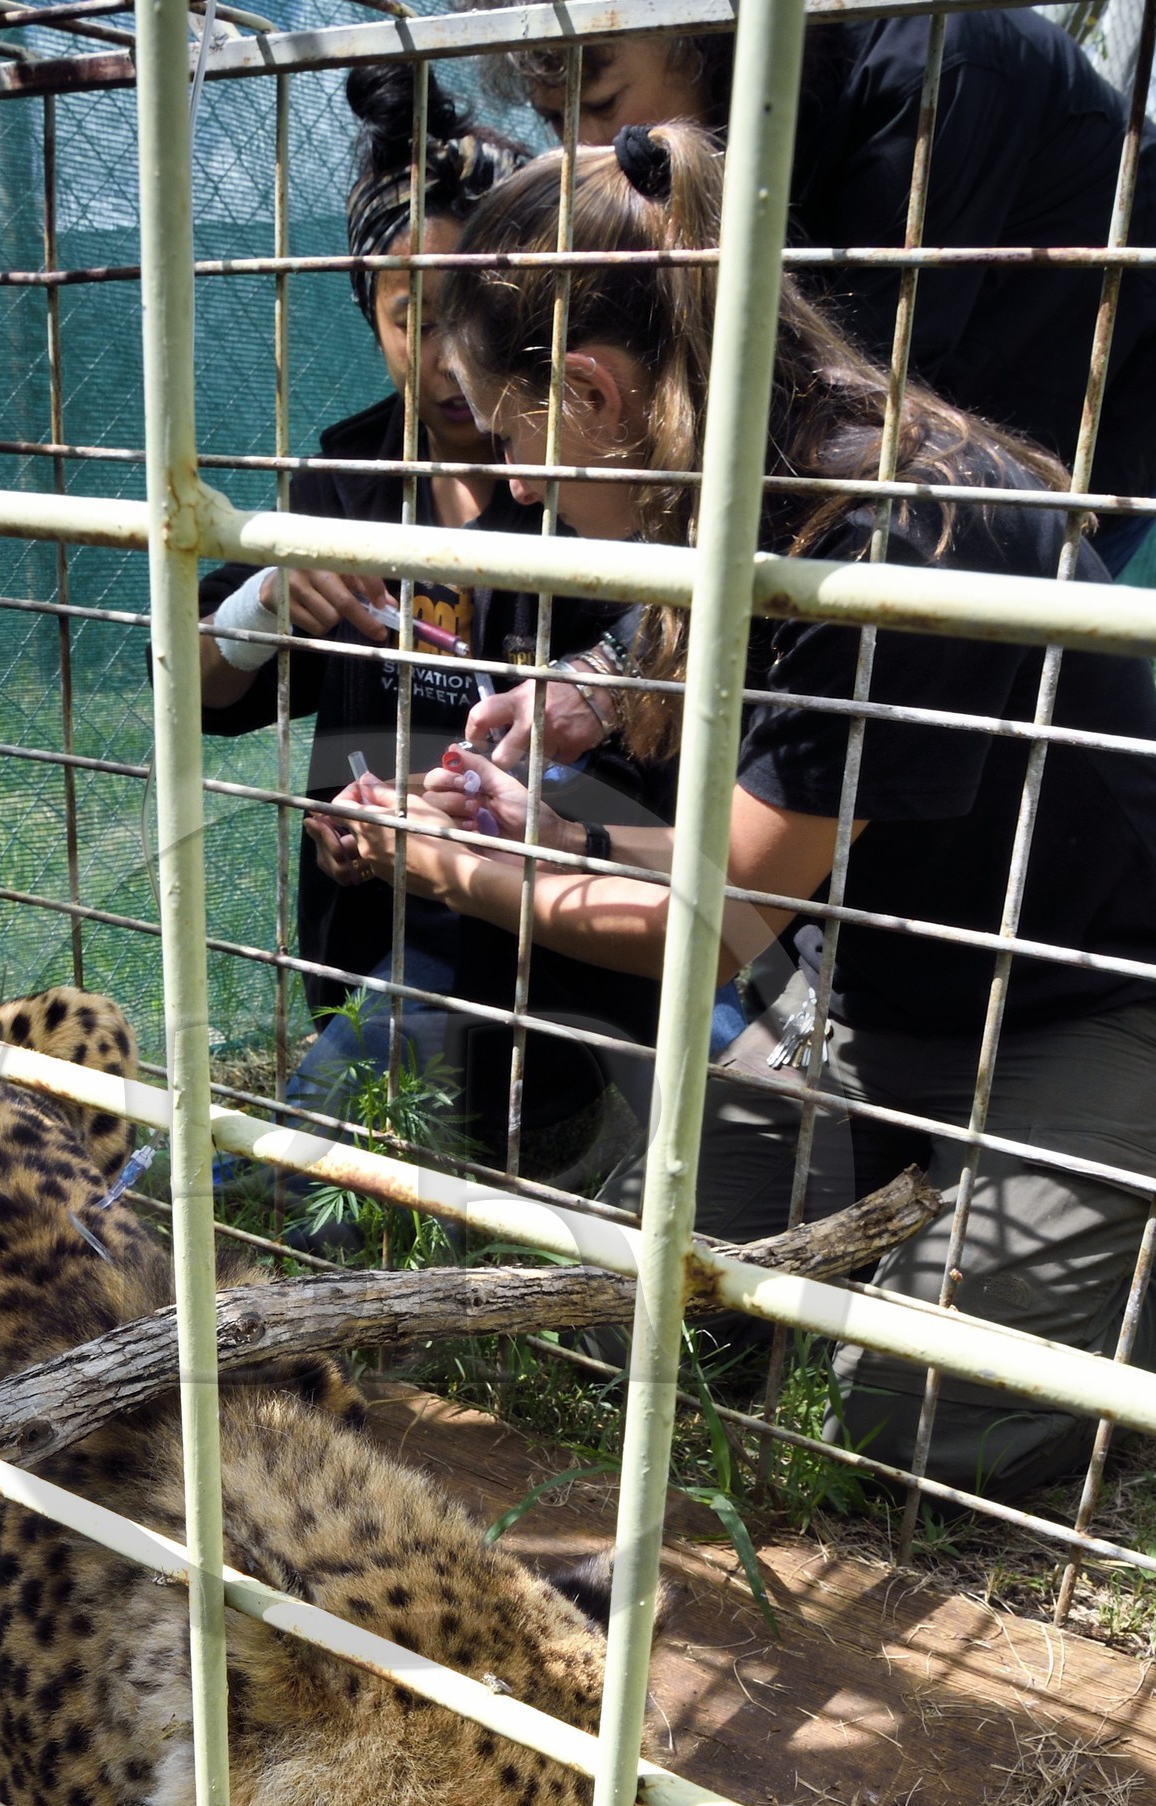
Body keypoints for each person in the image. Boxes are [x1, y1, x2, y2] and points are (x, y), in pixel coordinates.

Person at [315, 122, 1156, 1502]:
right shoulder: (764, 469)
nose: (522, 487)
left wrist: (457, 870)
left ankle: (1150, 1234)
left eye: (514, 435)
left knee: (910, 1434)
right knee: (651, 1325)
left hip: (1096, 997)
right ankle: (985, 1234)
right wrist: (559, 821)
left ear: (594, 389)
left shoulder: (886, 533)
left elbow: (703, 929)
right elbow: (758, 862)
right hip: (879, 981)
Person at [197, 63, 659, 1175]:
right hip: (371, 944)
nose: (451, 358)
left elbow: (652, 726)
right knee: (357, 1199)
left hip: (567, 956)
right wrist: (267, 600)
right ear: (369, 318)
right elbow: (205, 687)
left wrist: (468, 820)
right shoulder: (346, 478)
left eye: (472, 311)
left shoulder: (592, 476)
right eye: (413, 318)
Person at [462, 9, 1156, 581]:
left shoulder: (927, 74)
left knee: (1004, 653)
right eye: (558, 121)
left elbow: (837, 406)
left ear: (695, 33)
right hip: (931, 395)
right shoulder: (751, 110)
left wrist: (634, 647)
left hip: (1105, 380)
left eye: (602, 101)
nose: (589, 146)